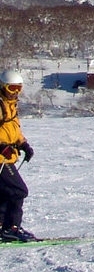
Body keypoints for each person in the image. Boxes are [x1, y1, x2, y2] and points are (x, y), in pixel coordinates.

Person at [0, 70, 36, 242]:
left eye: (18, 88)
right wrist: (1, 147)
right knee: (18, 190)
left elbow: (13, 130)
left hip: (7, 157)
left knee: (6, 192)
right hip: (1, 158)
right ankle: (11, 228)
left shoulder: (10, 105)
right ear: (3, 86)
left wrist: (23, 144)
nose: (15, 92)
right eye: (11, 88)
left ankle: (2, 226)